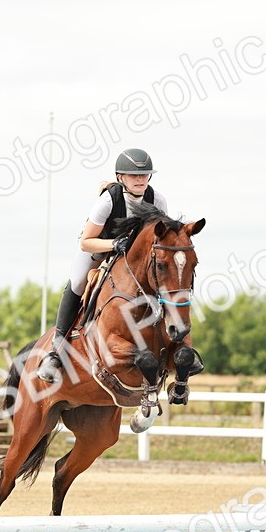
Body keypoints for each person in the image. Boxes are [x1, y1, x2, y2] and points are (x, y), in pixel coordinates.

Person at [37, 148, 170, 382]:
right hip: (99, 248)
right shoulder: (109, 200)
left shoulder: (157, 200)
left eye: (144, 175)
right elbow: (86, 241)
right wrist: (114, 244)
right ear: (120, 177)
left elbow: (161, 238)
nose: (140, 180)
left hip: (134, 259)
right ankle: (56, 350)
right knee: (78, 281)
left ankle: (172, 340)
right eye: (134, 175)